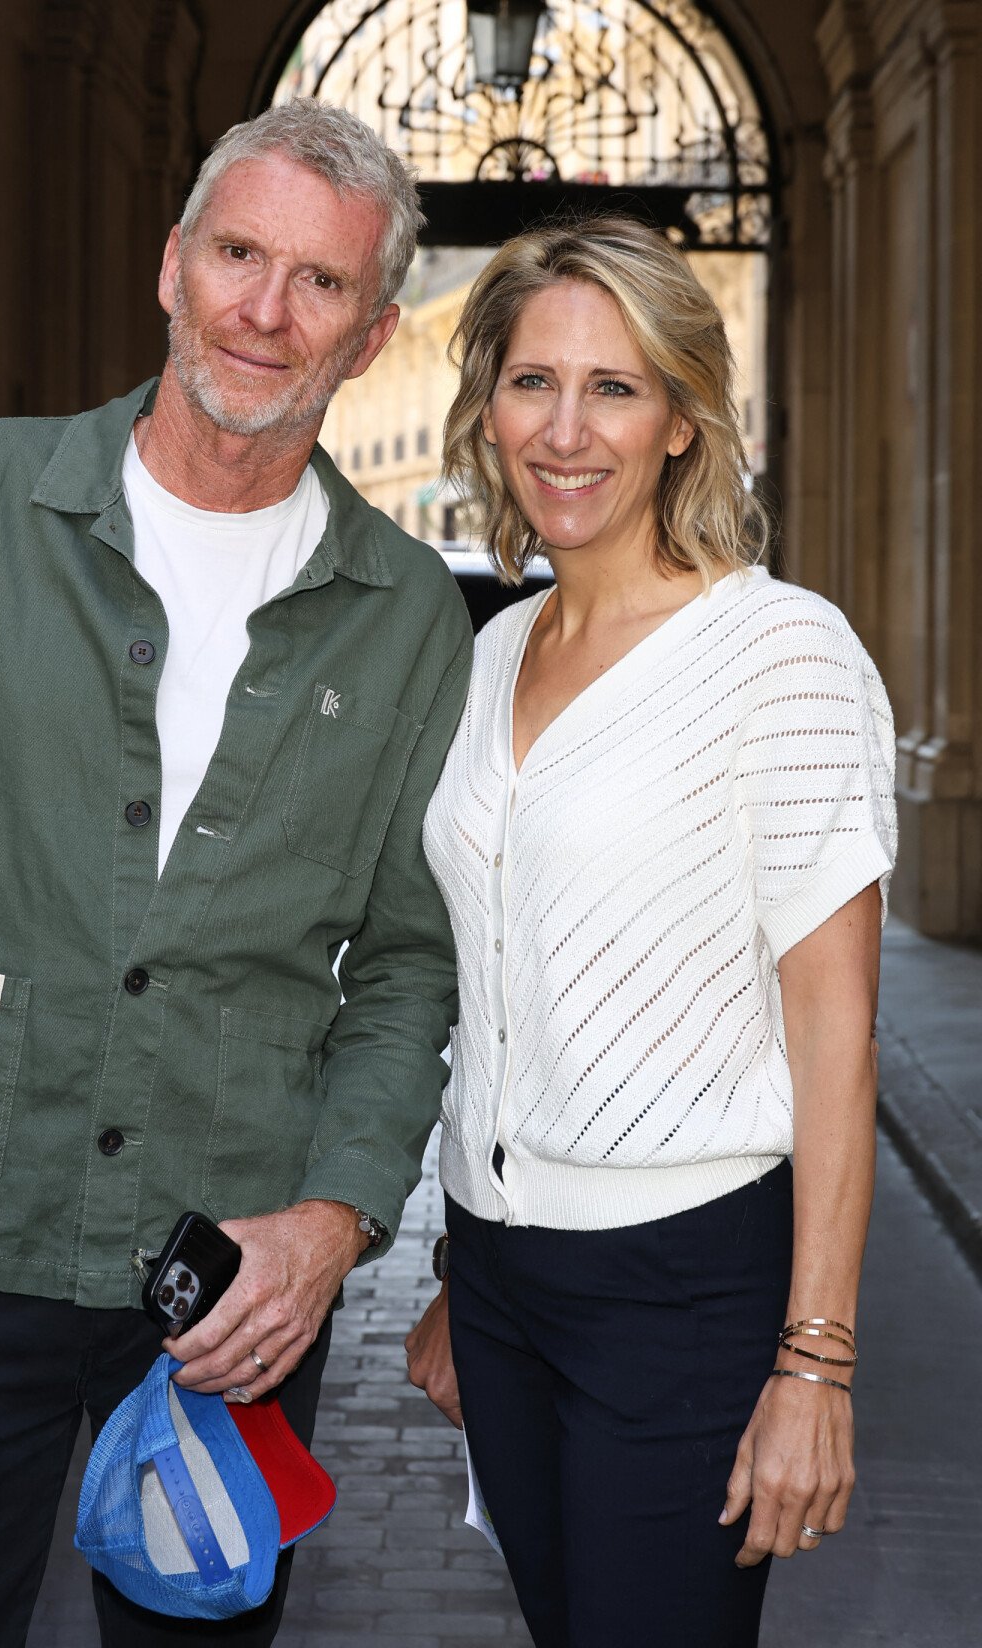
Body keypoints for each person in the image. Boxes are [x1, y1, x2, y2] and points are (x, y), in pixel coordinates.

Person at [0, 99, 472, 1648]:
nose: (263, 310)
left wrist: (338, 1219)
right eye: (238, 253)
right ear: (171, 266)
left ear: (368, 340)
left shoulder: (409, 612)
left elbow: (411, 963)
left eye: (321, 283)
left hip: (226, 1297)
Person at [405, 215, 896, 1647]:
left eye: (614, 388)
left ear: (682, 418)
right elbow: (492, 980)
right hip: (499, 1289)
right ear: (487, 408)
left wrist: (816, 1365)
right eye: (531, 383)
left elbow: (836, 1036)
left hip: (685, 1290)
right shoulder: (493, 651)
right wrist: (455, 1267)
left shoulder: (780, 653)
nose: (566, 431)